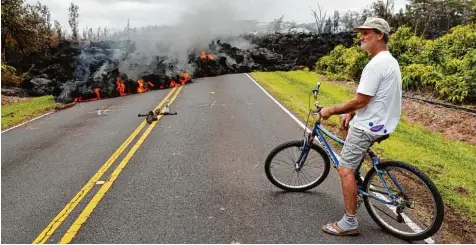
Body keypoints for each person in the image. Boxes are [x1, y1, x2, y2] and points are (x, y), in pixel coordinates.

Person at [319, 17, 403, 236]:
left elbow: (361, 100)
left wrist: (331, 110)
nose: (361, 37)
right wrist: (350, 113)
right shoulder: (389, 61)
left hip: (368, 126)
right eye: (361, 33)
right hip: (381, 123)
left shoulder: (376, 64)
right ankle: (355, 193)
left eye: (366, 33)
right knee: (350, 157)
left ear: (379, 35)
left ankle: (349, 223)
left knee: (344, 169)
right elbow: (374, 98)